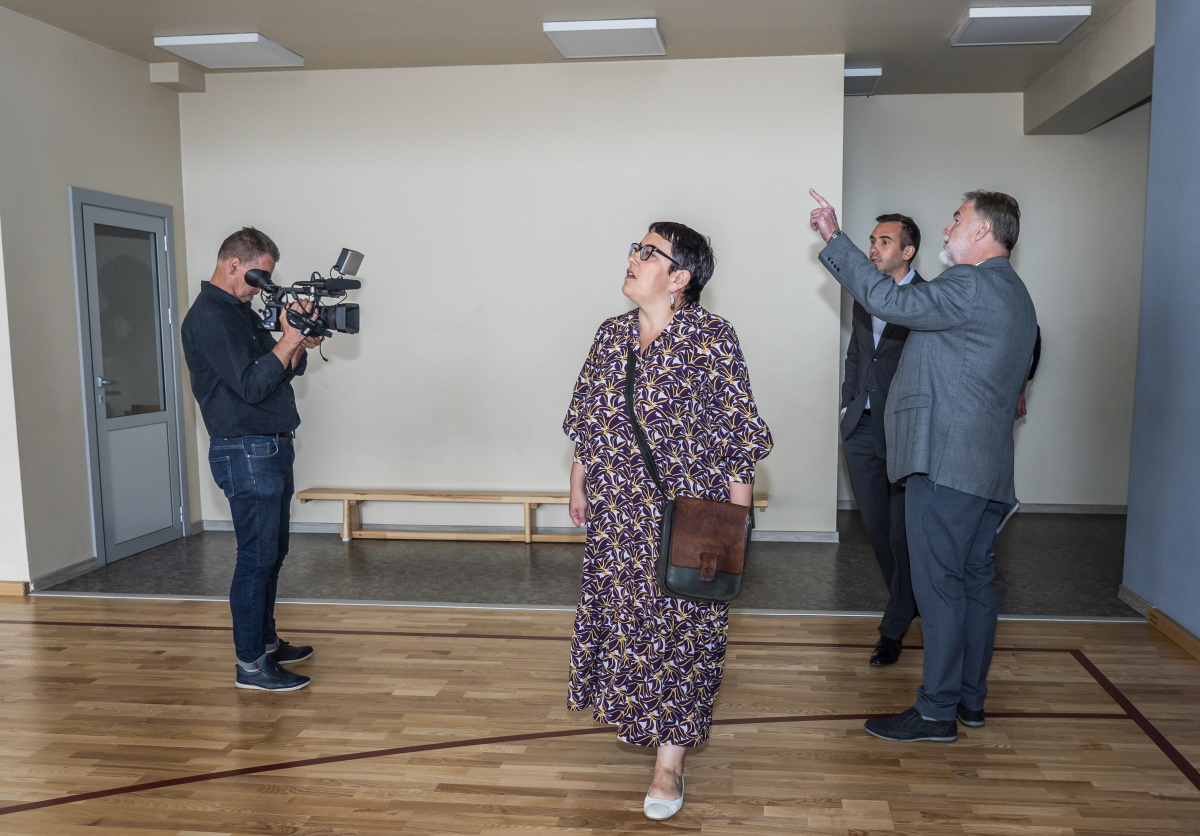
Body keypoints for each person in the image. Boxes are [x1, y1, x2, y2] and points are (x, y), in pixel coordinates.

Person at [809, 189, 1037, 742]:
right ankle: (969, 701)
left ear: (982, 232)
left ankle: (935, 712)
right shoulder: (1016, 292)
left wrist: (835, 239)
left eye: (957, 220)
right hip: (986, 469)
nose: (947, 229)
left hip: (945, 464)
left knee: (938, 587)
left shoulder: (969, 283)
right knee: (974, 583)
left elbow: (889, 300)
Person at [564, 222, 772, 819]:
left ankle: (669, 764)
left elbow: (738, 438)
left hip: (688, 522)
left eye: (649, 253)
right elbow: (589, 418)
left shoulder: (711, 338)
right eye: (636, 248)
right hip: (618, 519)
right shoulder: (611, 336)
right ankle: (641, 719)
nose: (633, 257)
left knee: (685, 636)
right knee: (630, 628)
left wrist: (734, 526)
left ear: (680, 278)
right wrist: (578, 479)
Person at [182, 227, 323, 691]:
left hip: (268, 446)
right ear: (233, 265)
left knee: (272, 554)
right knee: (255, 559)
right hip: (245, 450)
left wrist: (296, 342)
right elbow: (251, 385)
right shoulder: (210, 317)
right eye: (259, 275)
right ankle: (250, 665)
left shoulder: (237, 313)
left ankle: (265, 642)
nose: (263, 286)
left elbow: (276, 370)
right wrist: (287, 339)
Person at [840, 214, 924, 666]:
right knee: (875, 530)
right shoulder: (864, 295)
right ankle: (908, 602)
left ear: (907, 252)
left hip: (903, 434)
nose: (873, 248)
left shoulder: (927, 298)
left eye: (884, 241)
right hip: (861, 428)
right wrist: (846, 405)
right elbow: (857, 355)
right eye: (872, 240)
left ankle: (893, 629)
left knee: (901, 536)